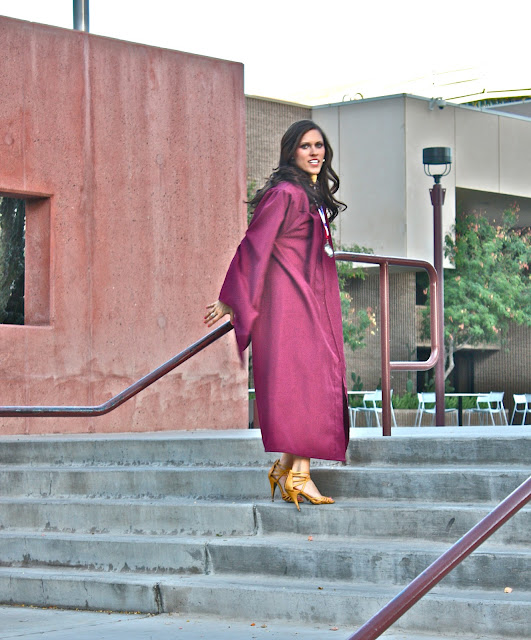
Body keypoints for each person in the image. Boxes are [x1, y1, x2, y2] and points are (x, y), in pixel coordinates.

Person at [204, 120, 349, 511]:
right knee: (307, 382)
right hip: (290, 304)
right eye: (306, 146)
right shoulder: (285, 194)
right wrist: (232, 297)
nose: (315, 153)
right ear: (291, 152)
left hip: (310, 298)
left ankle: (286, 468)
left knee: (311, 381)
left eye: (319, 145)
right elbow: (255, 243)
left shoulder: (308, 194)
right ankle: (299, 475)